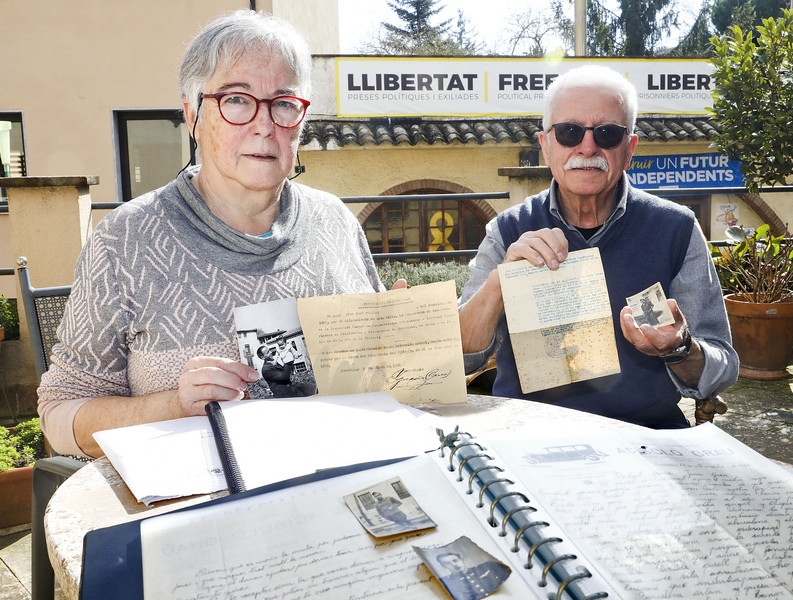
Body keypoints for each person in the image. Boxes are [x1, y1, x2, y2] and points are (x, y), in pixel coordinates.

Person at [38, 10, 394, 457]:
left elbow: (384, 378)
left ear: (301, 120)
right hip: (195, 509)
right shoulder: (125, 241)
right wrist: (173, 405)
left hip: (343, 485)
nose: (264, 124)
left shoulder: (335, 222)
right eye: (238, 100)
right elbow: (59, 415)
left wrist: (398, 334)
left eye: (284, 103)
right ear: (193, 116)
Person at [458, 65, 738, 429]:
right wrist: (500, 283)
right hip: (529, 436)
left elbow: (722, 369)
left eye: (607, 134)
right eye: (569, 132)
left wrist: (678, 348)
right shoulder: (508, 230)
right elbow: (459, 359)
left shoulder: (677, 229)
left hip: (645, 437)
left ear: (630, 147)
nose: (587, 147)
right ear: (545, 145)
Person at [435, 552, 509, 600]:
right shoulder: (445, 582)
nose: (454, 564)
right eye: (447, 563)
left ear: (461, 559)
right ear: (443, 566)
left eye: (455, 560)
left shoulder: (488, 566)